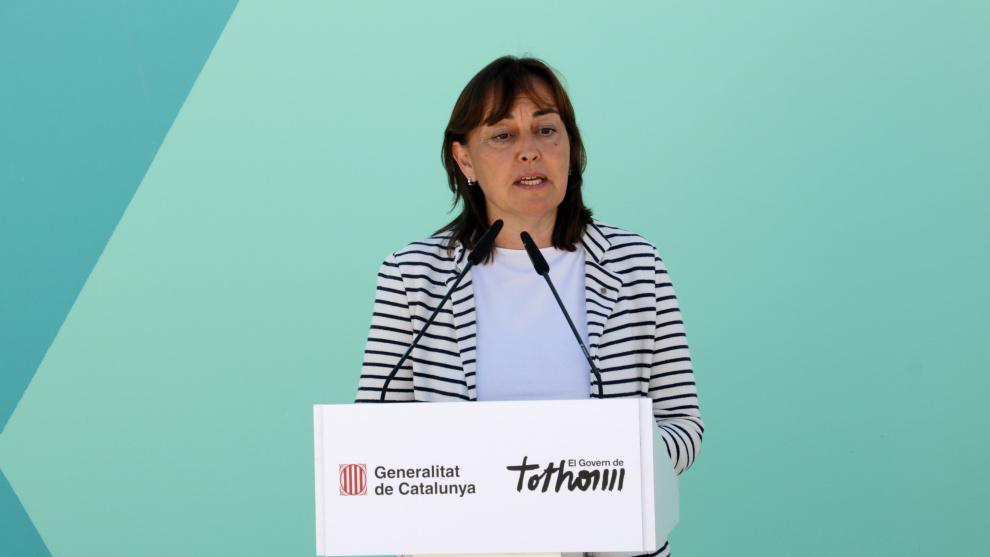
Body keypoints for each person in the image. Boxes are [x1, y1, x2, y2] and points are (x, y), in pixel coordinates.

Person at [355, 56, 702, 557]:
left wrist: (620, 464)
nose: (529, 151)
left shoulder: (635, 264)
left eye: (546, 130)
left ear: (570, 148)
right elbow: (372, 434)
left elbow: (683, 423)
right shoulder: (412, 276)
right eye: (502, 135)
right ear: (464, 160)